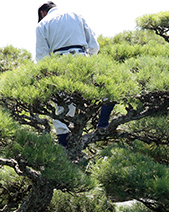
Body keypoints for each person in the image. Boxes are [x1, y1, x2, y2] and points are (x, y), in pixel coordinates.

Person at [36, 1, 114, 147]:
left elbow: (42, 58)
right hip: (81, 58)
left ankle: (65, 149)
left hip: (60, 63)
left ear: (42, 13)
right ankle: (103, 123)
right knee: (107, 90)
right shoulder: (76, 15)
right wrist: (89, 61)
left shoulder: (42, 24)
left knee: (62, 109)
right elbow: (94, 45)